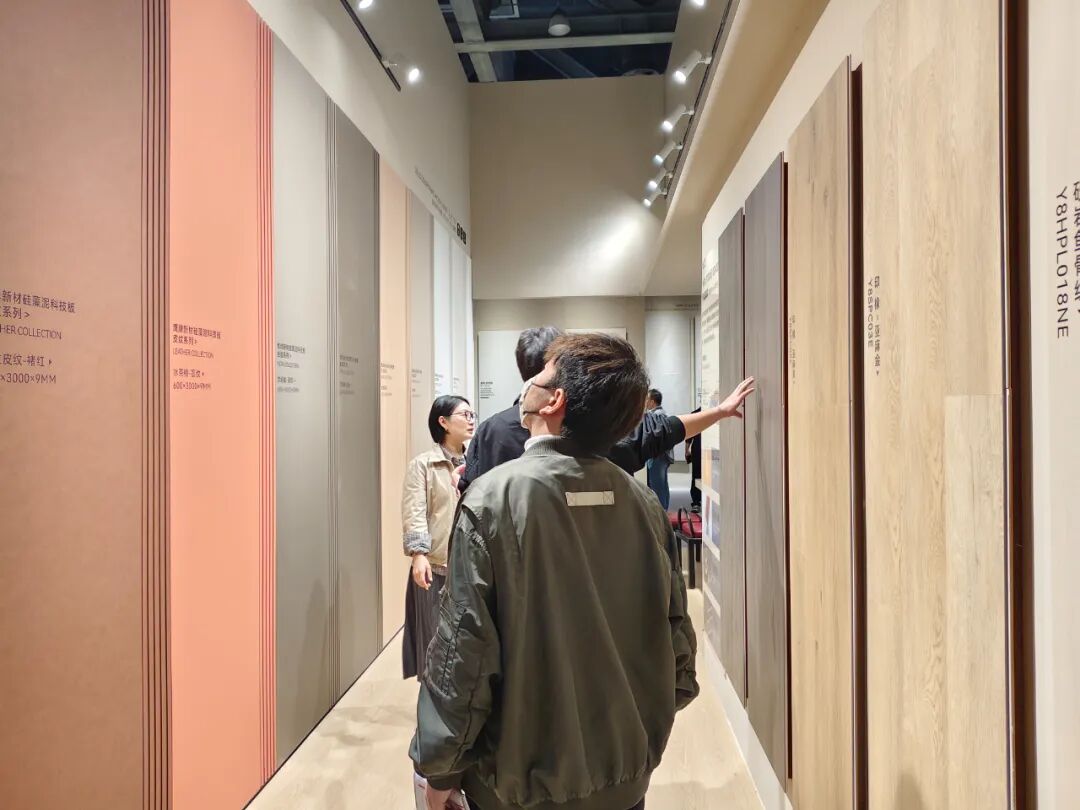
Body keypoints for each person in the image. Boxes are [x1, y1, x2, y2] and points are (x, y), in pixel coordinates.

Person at [410, 333, 704, 810]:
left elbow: (464, 655)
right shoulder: (644, 503)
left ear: (554, 401)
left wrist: (439, 768)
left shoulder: (492, 500)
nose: (529, 383)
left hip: (518, 787)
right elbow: (678, 653)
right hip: (626, 780)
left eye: (541, 376)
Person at [460, 326, 754, 491]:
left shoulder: (491, 432)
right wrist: (720, 412)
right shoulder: (601, 423)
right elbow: (664, 429)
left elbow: (472, 496)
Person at [400, 395, 476, 680]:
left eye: (472, 415)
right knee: (433, 643)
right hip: (436, 567)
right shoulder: (423, 465)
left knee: (467, 645)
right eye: (464, 415)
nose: (470, 420)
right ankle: (432, 700)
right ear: (443, 422)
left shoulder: (477, 461)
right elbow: (415, 510)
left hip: (471, 566)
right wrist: (418, 554)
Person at [644, 389, 673, 510]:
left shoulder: (657, 415)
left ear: (652, 401)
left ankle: (660, 514)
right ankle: (663, 512)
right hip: (660, 455)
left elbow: (655, 436)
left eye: (646, 399)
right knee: (662, 485)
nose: (645, 402)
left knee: (657, 485)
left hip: (657, 455)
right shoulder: (661, 414)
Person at [685, 407, 702, 512]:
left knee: (699, 475)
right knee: (697, 475)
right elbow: (689, 435)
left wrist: (686, 450)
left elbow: (688, 436)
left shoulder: (695, 414)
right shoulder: (695, 414)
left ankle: (698, 501)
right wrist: (687, 450)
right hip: (698, 449)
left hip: (706, 449)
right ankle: (696, 501)